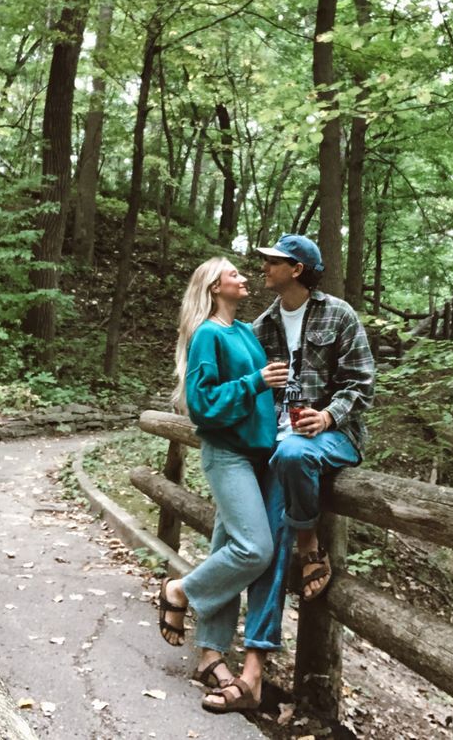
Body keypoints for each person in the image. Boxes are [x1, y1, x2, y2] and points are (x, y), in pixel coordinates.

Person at [202, 233, 375, 712]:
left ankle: (308, 541)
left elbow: (362, 382)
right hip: (279, 445)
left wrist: (328, 417)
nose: (262, 267)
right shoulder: (262, 325)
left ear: (296, 269)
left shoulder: (339, 314)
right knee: (262, 541)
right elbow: (252, 390)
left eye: (272, 261)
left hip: (333, 437)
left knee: (297, 456)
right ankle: (247, 670)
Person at [157, 257, 289, 714]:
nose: (244, 278)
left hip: (256, 457)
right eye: (234, 274)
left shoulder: (247, 332)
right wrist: (257, 381)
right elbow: (202, 404)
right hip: (228, 454)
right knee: (255, 549)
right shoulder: (209, 334)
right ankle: (179, 592)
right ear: (214, 287)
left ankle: (210, 655)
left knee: (226, 551)